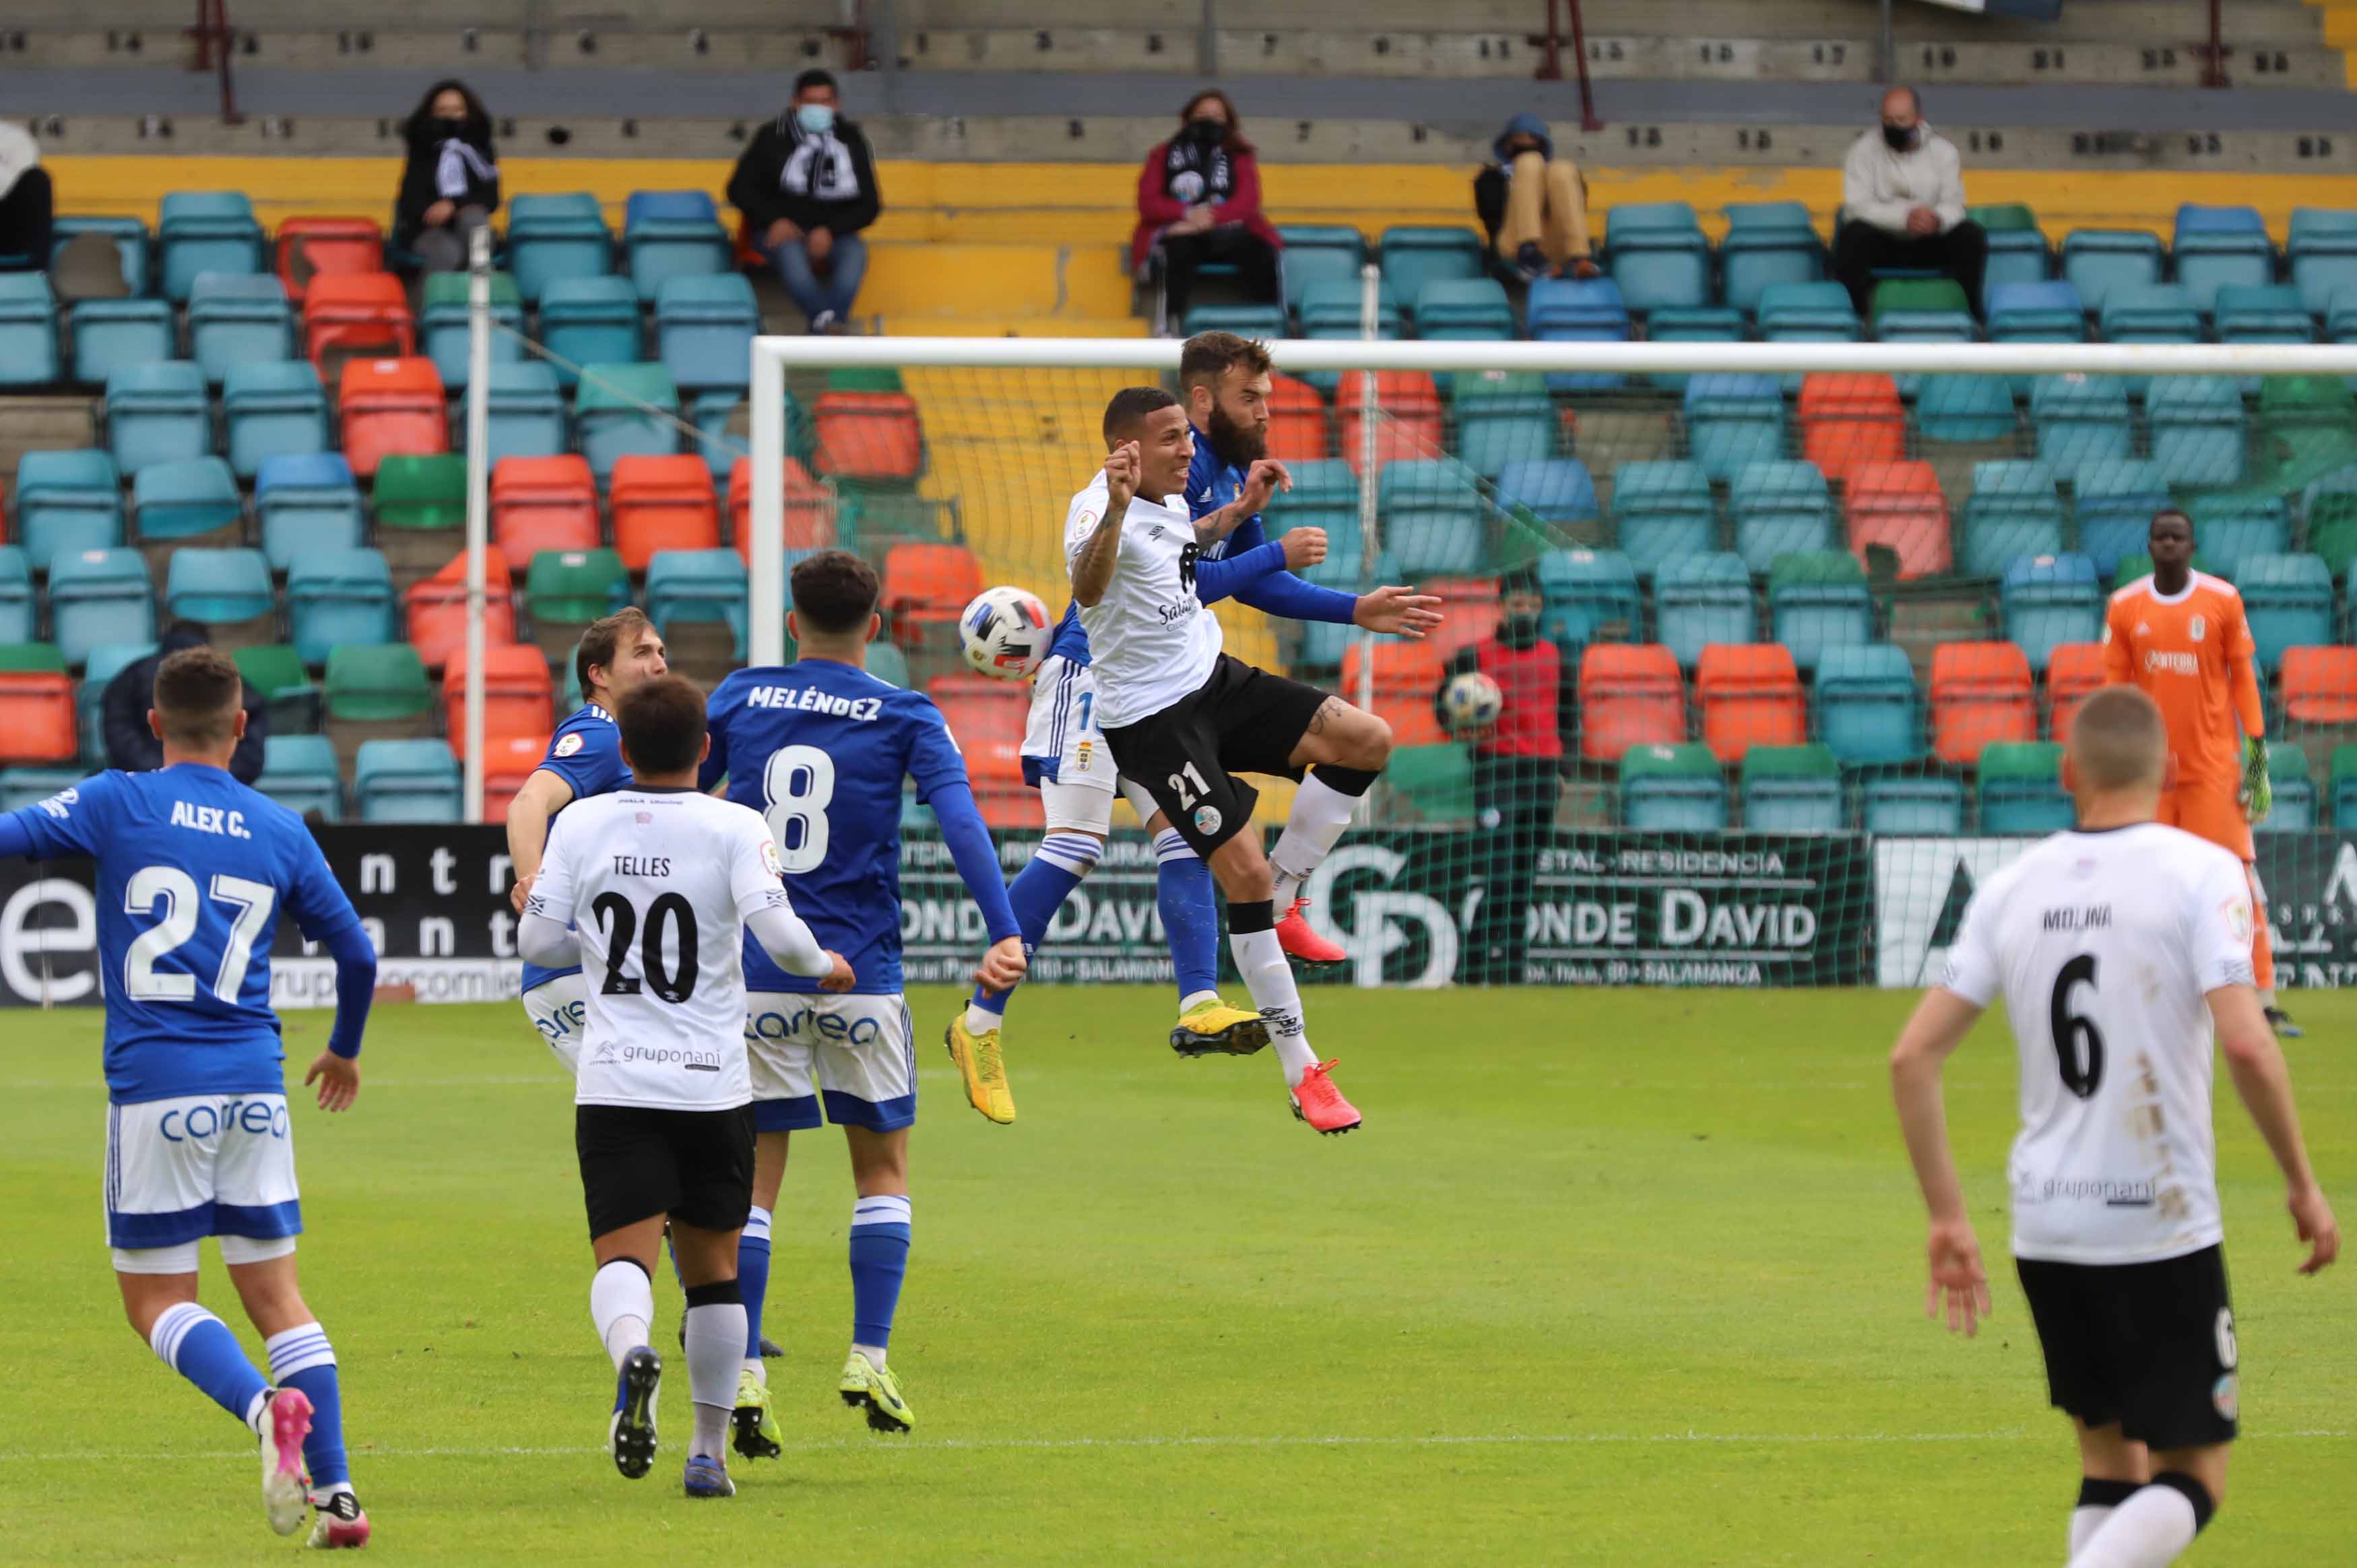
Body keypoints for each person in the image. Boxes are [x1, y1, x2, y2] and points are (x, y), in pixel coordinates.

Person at [1889, 684, 2337, 1568]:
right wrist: (2299, 1181)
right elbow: (2247, 1047)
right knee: (2193, 1474)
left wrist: (1945, 1218)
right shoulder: (2201, 871)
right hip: (2156, 1221)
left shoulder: (2011, 888)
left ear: (2067, 773)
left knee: (2110, 1464)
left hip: (2045, 1223)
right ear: (2170, 770)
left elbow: (1911, 1058)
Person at [964, 331, 1444, 1066]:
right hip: (1094, 677)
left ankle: (1202, 1003)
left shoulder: (1225, 475)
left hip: (1171, 689)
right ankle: (979, 1023)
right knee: (1074, 846)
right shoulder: (1159, 471)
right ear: (1200, 399)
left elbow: (1255, 582)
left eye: (1267, 399)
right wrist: (1269, 549)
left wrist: (1353, 608)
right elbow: (1178, 579)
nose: (1263, 413)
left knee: (1190, 835)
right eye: (1249, 398)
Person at [0, 647, 381, 1546]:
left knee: (155, 1300)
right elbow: (358, 957)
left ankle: (259, 1409)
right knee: (279, 1297)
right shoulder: (280, 827)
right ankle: (339, 1500)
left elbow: (13, 837)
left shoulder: (116, 800)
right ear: (243, 727)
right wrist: (344, 1051)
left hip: (156, 1089)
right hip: (256, 1084)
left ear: (156, 724)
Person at [700, 550, 1027, 1453]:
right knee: (880, 1174)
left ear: (791, 620)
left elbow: (686, 803)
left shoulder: (738, 696)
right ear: (874, 629)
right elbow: (960, 818)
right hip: (865, 975)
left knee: (755, 1184)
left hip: (761, 971)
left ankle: (749, 1372)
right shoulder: (905, 710)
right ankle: (868, 1356)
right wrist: (1002, 929)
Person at [518, 674, 854, 1502]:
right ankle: (707, 1452)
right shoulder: (735, 823)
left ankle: (633, 1350)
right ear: (707, 751)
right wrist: (825, 968)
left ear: (623, 752)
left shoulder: (584, 822)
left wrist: (593, 938)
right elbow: (778, 934)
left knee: (623, 1255)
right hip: (711, 1087)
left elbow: (538, 938)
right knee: (714, 1273)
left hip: (616, 1084)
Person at [1070, 387, 1402, 1134]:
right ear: (1124, 450)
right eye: (1168, 439)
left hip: (1214, 683)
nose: (1187, 450)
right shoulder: (1098, 510)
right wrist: (1267, 550)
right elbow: (1090, 586)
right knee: (1240, 873)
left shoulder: (1164, 503)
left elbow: (1183, 547)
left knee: (1366, 739)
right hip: (1155, 724)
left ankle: (1286, 895)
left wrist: (1241, 507)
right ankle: (1303, 1070)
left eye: (1186, 437)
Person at [2102, 509, 2294, 1037]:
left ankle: (2264, 1000)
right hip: (2150, 775)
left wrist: (2256, 756)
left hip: (2213, 771)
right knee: (2141, 885)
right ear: (2149, 545)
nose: (2168, 544)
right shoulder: (2124, 607)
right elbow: (2113, 694)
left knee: (2238, 880)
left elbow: (2244, 679)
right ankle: (2139, 994)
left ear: (2191, 545)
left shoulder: (2222, 600)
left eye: (2177, 537)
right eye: (2159, 537)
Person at [508, 609, 670, 1071]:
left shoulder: (640, 742)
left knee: (637, 1120)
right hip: (585, 966)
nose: (659, 663)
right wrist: (532, 880)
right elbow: (527, 803)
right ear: (598, 675)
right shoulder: (598, 733)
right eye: (641, 653)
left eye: (660, 652)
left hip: (593, 965)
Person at [1431, 566, 1574, 984]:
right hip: (1495, 772)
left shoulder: (1558, 655)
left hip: (1543, 774)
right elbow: (1442, 707)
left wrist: (1564, 767)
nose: (1525, 611)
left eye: (1532, 605)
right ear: (1503, 606)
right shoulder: (1474, 657)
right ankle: (1472, 967)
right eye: (1517, 605)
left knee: (1524, 876)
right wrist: (1459, 725)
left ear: (1541, 606)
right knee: (1498, 872)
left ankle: (1513, 969)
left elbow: (1569, 716)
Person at [727, 69, 880, 335]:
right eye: (811, 102)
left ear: (836, 104)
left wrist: (830, 230)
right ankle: (829, 323)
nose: (818, 108)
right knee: (791, 255)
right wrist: (774, 220)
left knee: (855, 254)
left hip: (835, 233)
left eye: (825, 102)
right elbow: (738, 189)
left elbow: (871, 205)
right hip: (779, 232)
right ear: (796, 103)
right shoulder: (771, 136)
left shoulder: (852, 140)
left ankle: (824, 324)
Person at [1130, 90, 1283, 329]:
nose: (1208, 119)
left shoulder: (1240, 156)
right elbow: (1148, 202)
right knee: (1177, 250)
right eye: (1201, 113)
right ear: (1187, 118)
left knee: (1261, 252)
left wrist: (1209, 218)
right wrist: (1186, 215)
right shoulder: (1162, 155)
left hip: (1229, 233)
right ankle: (1172, 324)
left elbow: (1248, 202)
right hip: (1183, 234)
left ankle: (1270, 324)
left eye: (1216, 115)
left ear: (1229, 122)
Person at [1832, 86, 1987, 321]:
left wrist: (1936, 220)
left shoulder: (1944, 152)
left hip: (1932, 240)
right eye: (1887, 120)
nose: (1893, 126)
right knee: (1851, 237)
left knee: (1971, 235)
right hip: (1884, 241)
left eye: (1901, 119)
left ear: (1918, 118)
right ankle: (1858, 318)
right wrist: (1904, 218)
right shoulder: (1861, 151)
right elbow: (1857, 206)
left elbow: (1955, 204)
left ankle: (1972, 316)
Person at [104, 622, 267, 785]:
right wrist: (210, 780)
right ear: (240, 724)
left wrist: (159, 776)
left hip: (142, 791)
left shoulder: (95, 796)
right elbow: (250, 756)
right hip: (222, 793)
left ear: (156, 724)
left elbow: (120, 734)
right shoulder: (231, 680)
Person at [1473, 113, 1599, 283]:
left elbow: (1578, 207)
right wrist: (1520, 186)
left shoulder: (1553, 174)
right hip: (1513, 242)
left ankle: (1579, 257)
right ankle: (1528, 251)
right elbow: (1491, 215)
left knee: (1563, 168)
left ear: (1542, 144)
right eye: (1519, 137)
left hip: (1556, 244)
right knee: (1529, 162)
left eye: (1532, 138)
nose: (1525, 142)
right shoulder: (1491, 176)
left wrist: (1545, 192)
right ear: (1507, 144)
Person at [393, 79, 499, 275]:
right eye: (442, 110)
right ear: (431, 113)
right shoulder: (421, 149)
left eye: (457, 110)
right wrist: (435, 210)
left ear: (468, 112)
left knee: (475, 222)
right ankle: (439, 304)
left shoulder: (481, 150)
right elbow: (410, 198)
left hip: (468, 226)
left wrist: (454, 205)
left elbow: (491, 198)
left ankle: (479, 296)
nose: (450, 116)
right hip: (428, 230)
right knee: (446, 252)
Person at [0, 116, 52, 273]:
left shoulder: (15, 139)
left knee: (38, 179)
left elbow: (20, 182)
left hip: (8, 220)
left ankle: (34, 269)